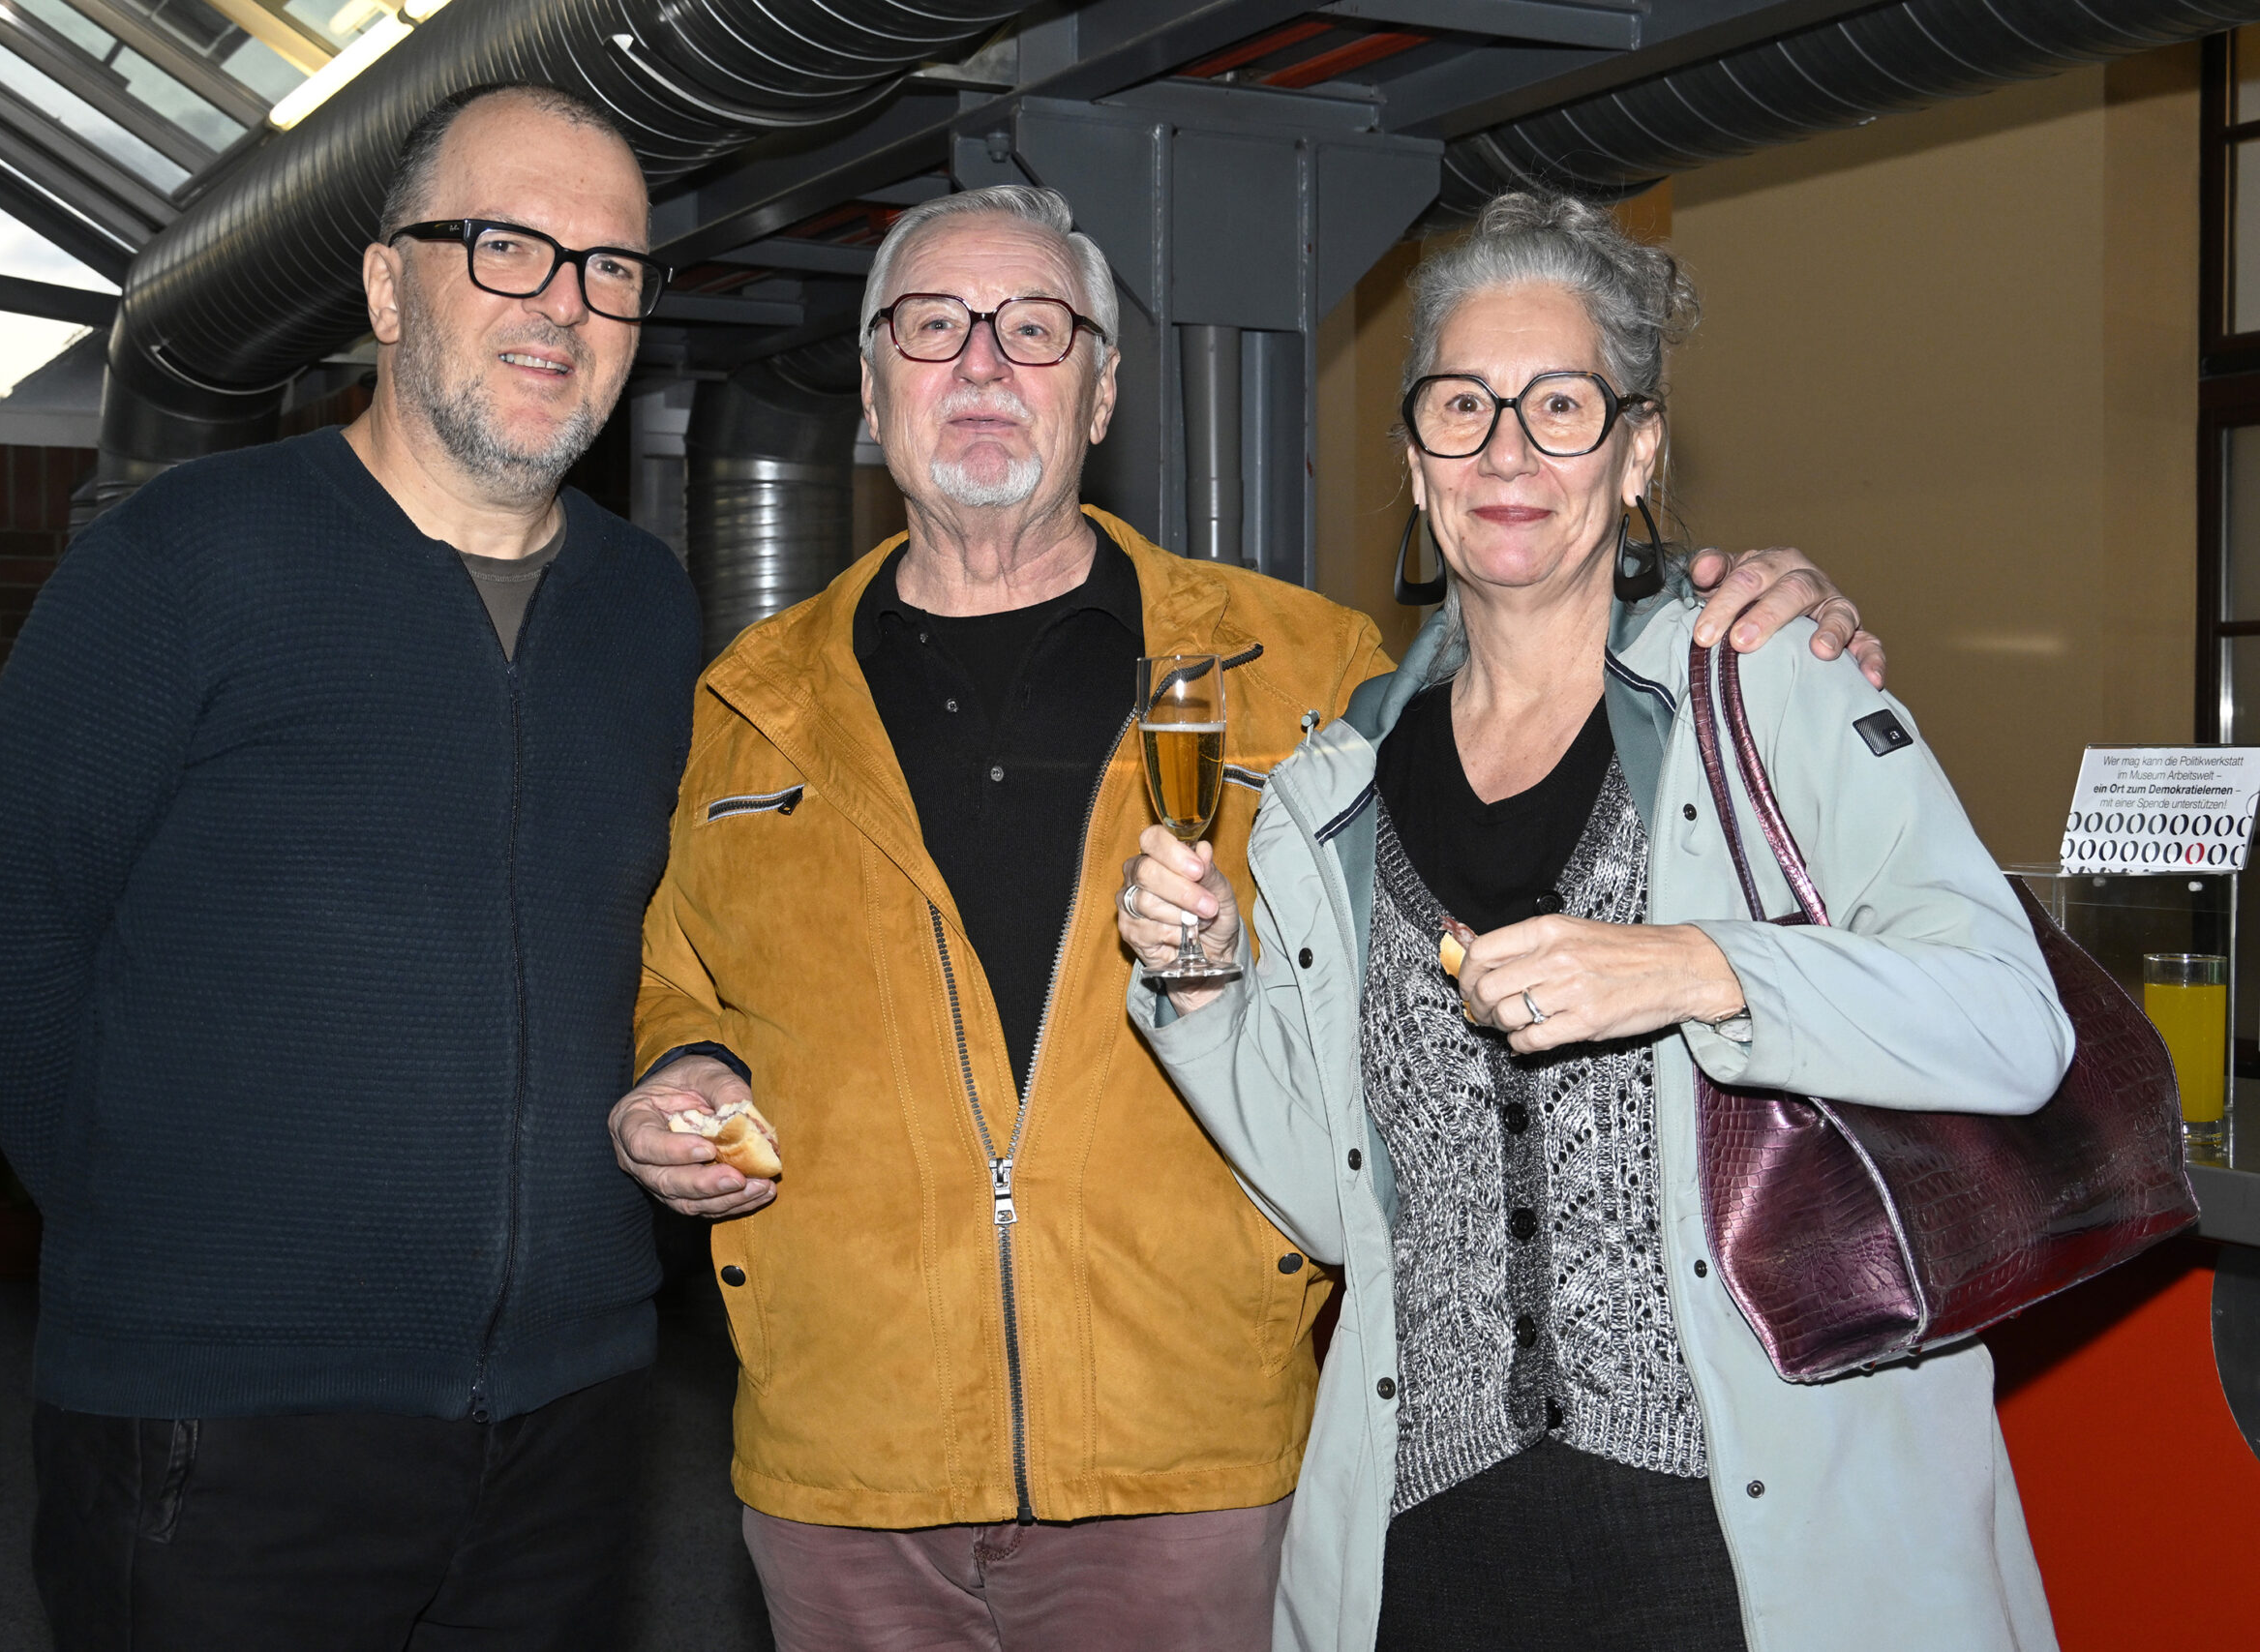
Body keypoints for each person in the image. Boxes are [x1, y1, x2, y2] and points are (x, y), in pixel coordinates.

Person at [615, 183, 1881, 1652]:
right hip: (844, 1475)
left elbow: (1543, 640)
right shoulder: (750, 703)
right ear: (869, 383)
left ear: (1101, 393)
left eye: (1035, 329)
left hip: (1190, 1464)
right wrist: (675, 1071)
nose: (982, 364)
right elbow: (682, 976)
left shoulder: (1304, 672)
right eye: (933, 326)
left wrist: (1759, 600)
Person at [1115, 191, 2070, 1652]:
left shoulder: (1773, 688)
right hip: (1435, 1551)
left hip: (1750, 1550)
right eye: (1462, 406)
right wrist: (1203, 996)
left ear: (1638, 454)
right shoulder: (1331, 792)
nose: (1507, 452)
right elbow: (1333, 1203)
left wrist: (1698, 968)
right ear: (1415, 463)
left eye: (1560, 405)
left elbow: (2013, 1026)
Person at [0, 84, 693, 1651]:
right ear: (388, 286)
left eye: (610, 267)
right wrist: (167, 1239)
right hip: (226, 1432)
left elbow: (669, 945)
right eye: (506, 246)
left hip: (572, 1417)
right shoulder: (183, 557)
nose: (563, 302)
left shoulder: (652, 608)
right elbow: (3, 943)